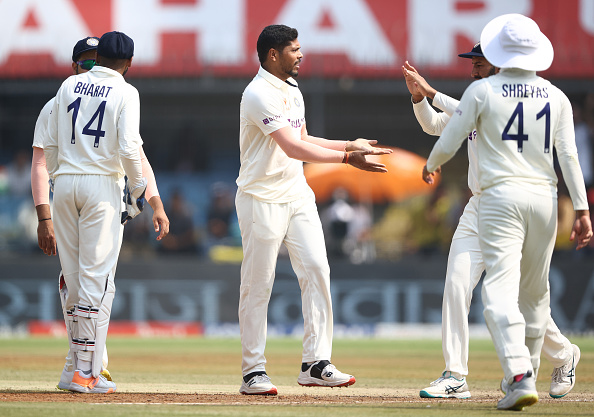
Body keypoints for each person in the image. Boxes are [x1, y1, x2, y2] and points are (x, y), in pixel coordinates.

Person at [422, 14, 592, 410]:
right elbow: (568, 155)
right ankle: (459, 375)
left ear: (498, 58)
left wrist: (431, 163)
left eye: (480, 61)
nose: (474, 68)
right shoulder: (557, 96)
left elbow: (450, 131)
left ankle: (529, 369)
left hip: (501, 201)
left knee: (508, 296)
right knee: (475, 286)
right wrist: (582, 208)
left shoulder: (484, 94)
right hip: (535, 200)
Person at [236, 24, 392, 395]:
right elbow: (293, 148)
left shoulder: (292, 88)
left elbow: (304, 138)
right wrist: (346, 158)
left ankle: (315, 362)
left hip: (297, 193)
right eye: (294, 49)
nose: (301, 54)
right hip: (261, 198)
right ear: (273, 55)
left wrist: (348, 143)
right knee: (259, 284)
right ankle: (253, 371)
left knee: (318, 271)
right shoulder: (257, 93)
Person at [32, 36, 169, 391]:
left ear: (100, 57)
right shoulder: (127, 92)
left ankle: (73, 370)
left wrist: (63, 177)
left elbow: (49, 146)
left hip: (64, 184)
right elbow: (128, 148)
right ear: (130, 62)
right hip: (102, 186)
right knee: (97, 281)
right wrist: (140, 193)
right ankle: (85, 373)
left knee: (76, 280)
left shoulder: (69, 84)